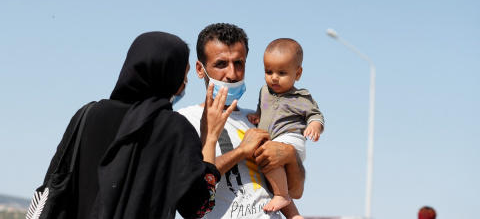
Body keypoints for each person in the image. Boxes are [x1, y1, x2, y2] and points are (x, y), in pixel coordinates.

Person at [41, 32, 235, 219]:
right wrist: (209, 138)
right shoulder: (174, 128)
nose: (184, 83)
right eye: (183, 75)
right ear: (168, 76)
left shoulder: (86, 115)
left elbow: (51, 184)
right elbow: (198, 207)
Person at [178, 23, 305, 219]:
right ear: (200, 69)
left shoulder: (257, 119)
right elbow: (190, 188)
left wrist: (290, 156)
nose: (231, 74)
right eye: (221, 64)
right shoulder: (184, 121)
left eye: (238, 63)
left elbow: (295, 191)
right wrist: (241, 151)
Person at [246, 38, 324, 217]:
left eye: (281, 72)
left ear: (298, 73)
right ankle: (293, 214)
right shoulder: (264, 90)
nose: (274, 77)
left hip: (291, 139)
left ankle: (282, 195)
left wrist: (314, 126)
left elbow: (316, 115)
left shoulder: (301, 98)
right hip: (274, 140)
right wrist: (257, 114)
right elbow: (262, 107)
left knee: (268, 157)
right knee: (269, 169)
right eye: (268, 71)